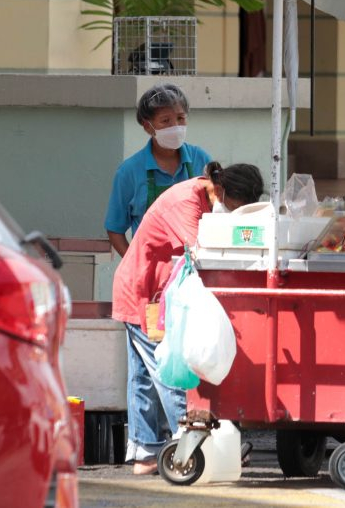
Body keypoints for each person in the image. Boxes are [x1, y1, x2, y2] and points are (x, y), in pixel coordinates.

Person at [112, 162, 264, 474]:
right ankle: (192, 438)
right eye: (235, 207)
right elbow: (202, 252)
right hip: (145, 293)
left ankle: (145, 452)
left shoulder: (205, 195)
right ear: (220, 190)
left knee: (142, 376)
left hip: (153, 290)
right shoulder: (186, 202)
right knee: (169, 369)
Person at [105, 84, 213, 257]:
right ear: (147, 126)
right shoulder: (129, 172)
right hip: (151, 266)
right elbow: (115, 229)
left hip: (196, 266)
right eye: (165, 121)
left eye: (180, 118)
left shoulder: (201, 160)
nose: (175, 126)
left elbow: (219, 213)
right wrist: (135, 265)